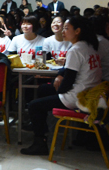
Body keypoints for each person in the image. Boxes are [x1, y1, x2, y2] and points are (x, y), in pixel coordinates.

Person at [21, 16, 102, 155]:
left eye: (66, 28)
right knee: (43, 89)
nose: (63, 31)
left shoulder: (76, 49)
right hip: (90, 93)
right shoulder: (89, 46)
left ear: (77, 31)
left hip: (78, 97)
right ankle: (43, 125)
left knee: (34, 105)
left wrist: (58, 91)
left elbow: (68, 81)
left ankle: (40, 142)